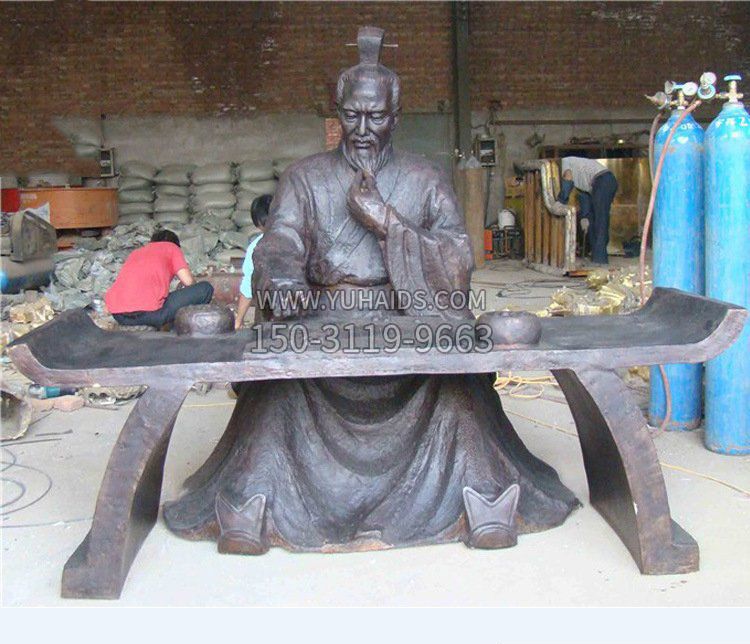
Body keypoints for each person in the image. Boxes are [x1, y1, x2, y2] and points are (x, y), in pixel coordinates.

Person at [164, 27, 577, 555]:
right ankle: (254, 501)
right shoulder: (305, 178)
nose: (362, 130)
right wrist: (284, 278)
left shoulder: (425, 178)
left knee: (453, 386)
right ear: (338, 114)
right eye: (351, 115)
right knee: (281, 386)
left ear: (395, 118)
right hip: (322, 316)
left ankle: (483, 499)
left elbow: (457, 257)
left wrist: (387, 222)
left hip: (408, 316)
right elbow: (281, 239)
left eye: (375, 117)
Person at [104, 229, 213, 328]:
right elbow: (188, 281)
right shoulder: (172, 247)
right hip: (149, 315)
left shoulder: (136, 252)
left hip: (119, 316)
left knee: (165, 300)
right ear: (175, 243)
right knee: (205, 288)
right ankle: (183, 334)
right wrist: (193, 287)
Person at [557, 156, 618, 264]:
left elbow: (567, 180)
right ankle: (595, 253)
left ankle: (600, 259)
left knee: (600, 220)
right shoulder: (579, 178)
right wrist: (584, 216)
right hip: (591, 186)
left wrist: (560, 202)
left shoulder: (565, 162)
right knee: (589, 219)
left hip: (603, 180)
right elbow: (583, 197)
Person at [234, 194, 272, 330]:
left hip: (271, 311)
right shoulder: (300, 239)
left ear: (259, 222)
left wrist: (238, 321)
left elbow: (248, 287)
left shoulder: (256, 247)